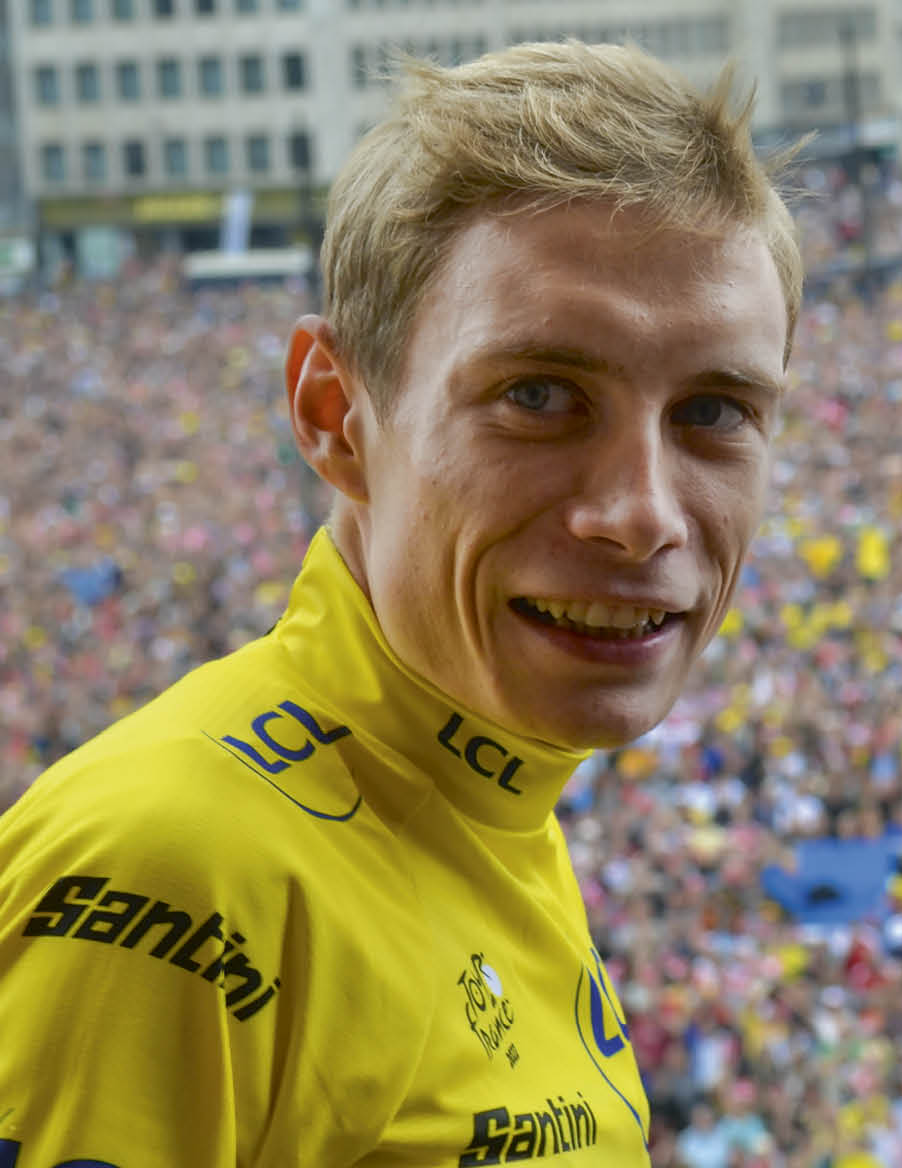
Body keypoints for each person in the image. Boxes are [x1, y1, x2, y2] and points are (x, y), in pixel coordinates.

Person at [0, 40, 800, 1165]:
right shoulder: (172, 870)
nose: (643, 513)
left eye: (714, 411)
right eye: (538, 395)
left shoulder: (494, 782)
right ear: (335, 414)